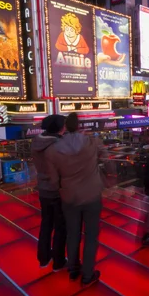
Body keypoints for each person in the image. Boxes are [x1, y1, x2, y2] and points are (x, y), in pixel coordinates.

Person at [47, 113, 103, 286]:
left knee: (73, 234)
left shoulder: (53, 150)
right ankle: (87, 275)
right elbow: (106, 160)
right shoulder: (92, 143)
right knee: (91, 236)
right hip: (92, 195)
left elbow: (53, 180)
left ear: (65, 127)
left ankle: (73, 269)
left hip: (69, 197)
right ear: (80, 126)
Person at [32, 114, 68, 270]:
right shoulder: (59, 145)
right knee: (61, 227)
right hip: (58, 190)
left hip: (43, 190)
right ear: (60, 127)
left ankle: (44, 258)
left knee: (46, 224)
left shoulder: (37, 142)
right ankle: (58, 262)